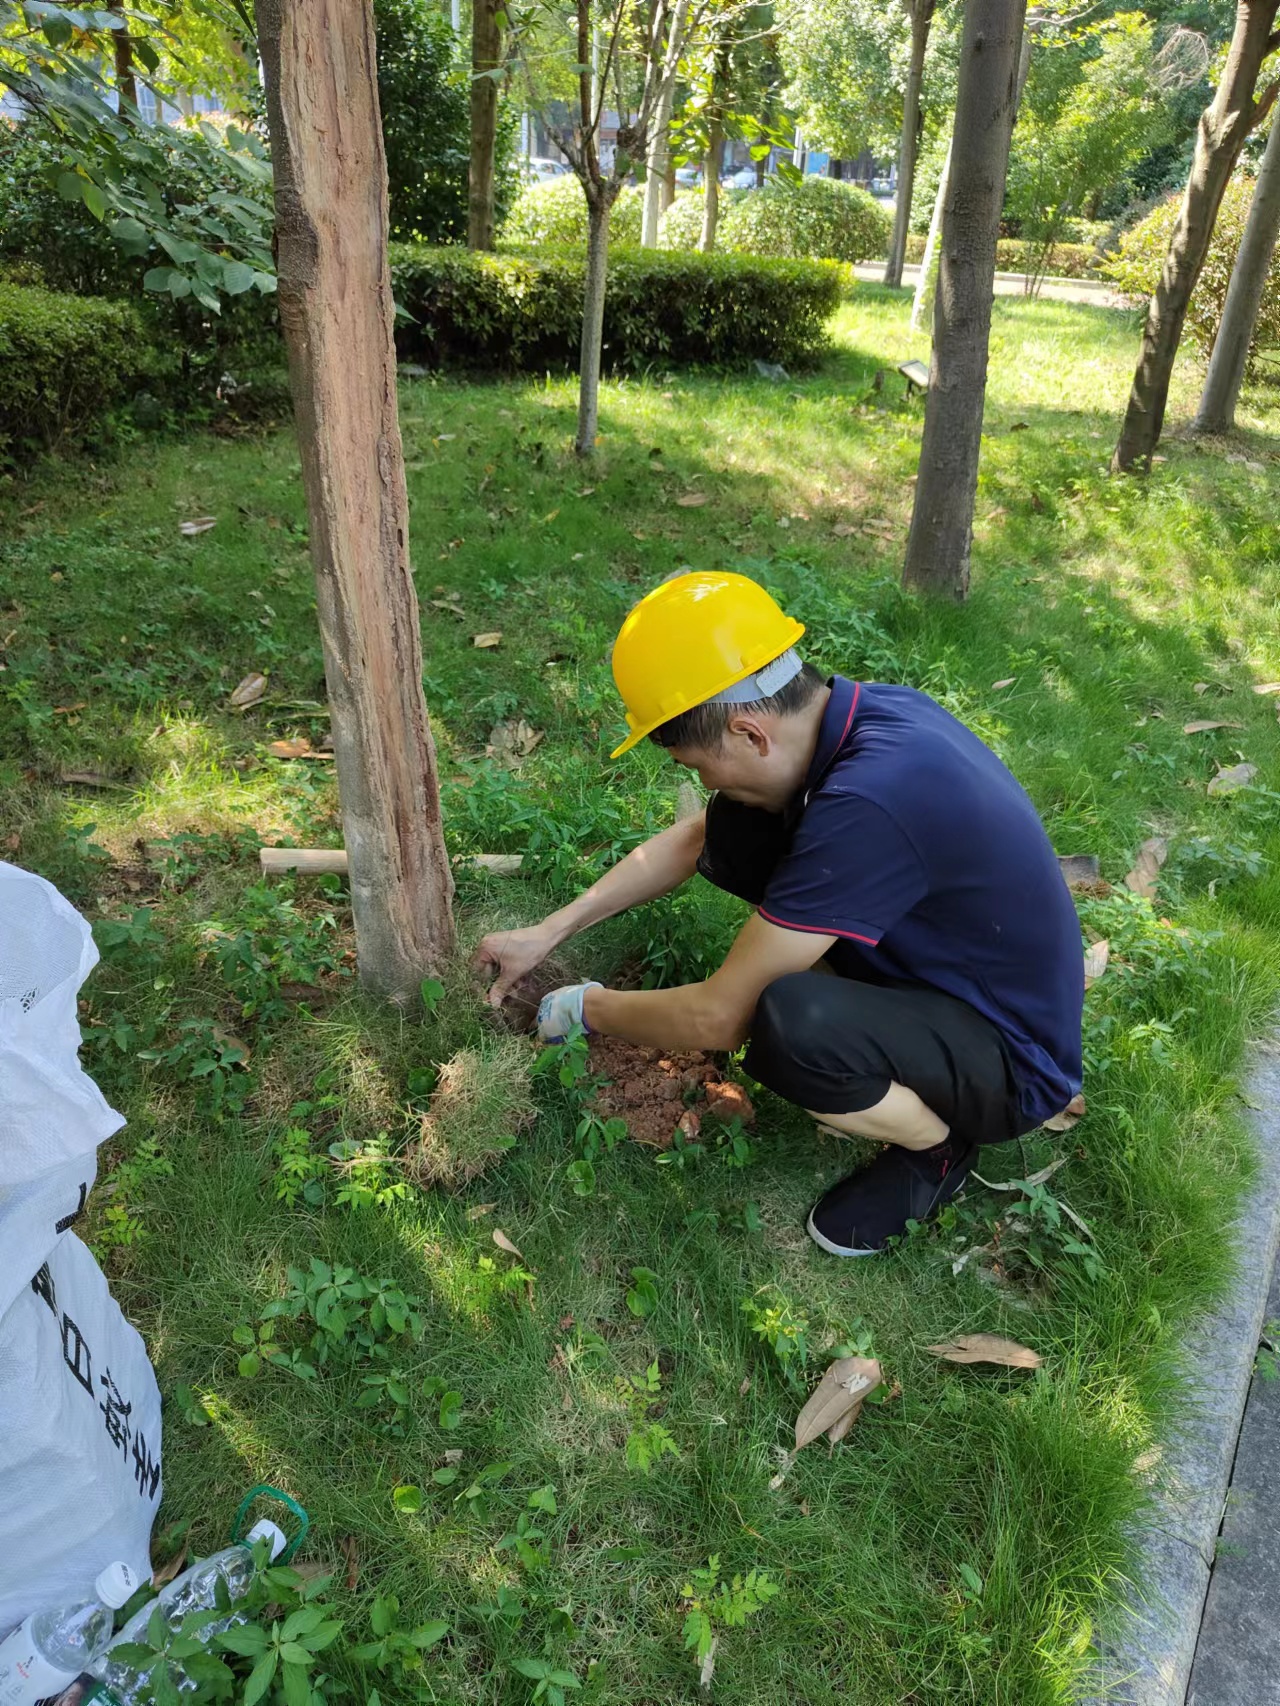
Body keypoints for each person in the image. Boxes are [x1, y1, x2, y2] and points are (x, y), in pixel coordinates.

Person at [474, 572, 1084, 1256]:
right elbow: (702, 836)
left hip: (1012, 1060)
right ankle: (891, 1046)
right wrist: (549, 930)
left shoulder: (870, 804)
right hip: (948, 972)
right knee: (741, 824)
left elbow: (718, 1018)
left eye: (696, 763)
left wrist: (586, 1008)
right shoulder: (846, 720)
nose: (702, 783)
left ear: (748, 732)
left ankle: (935, 1148)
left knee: (793, 1027)